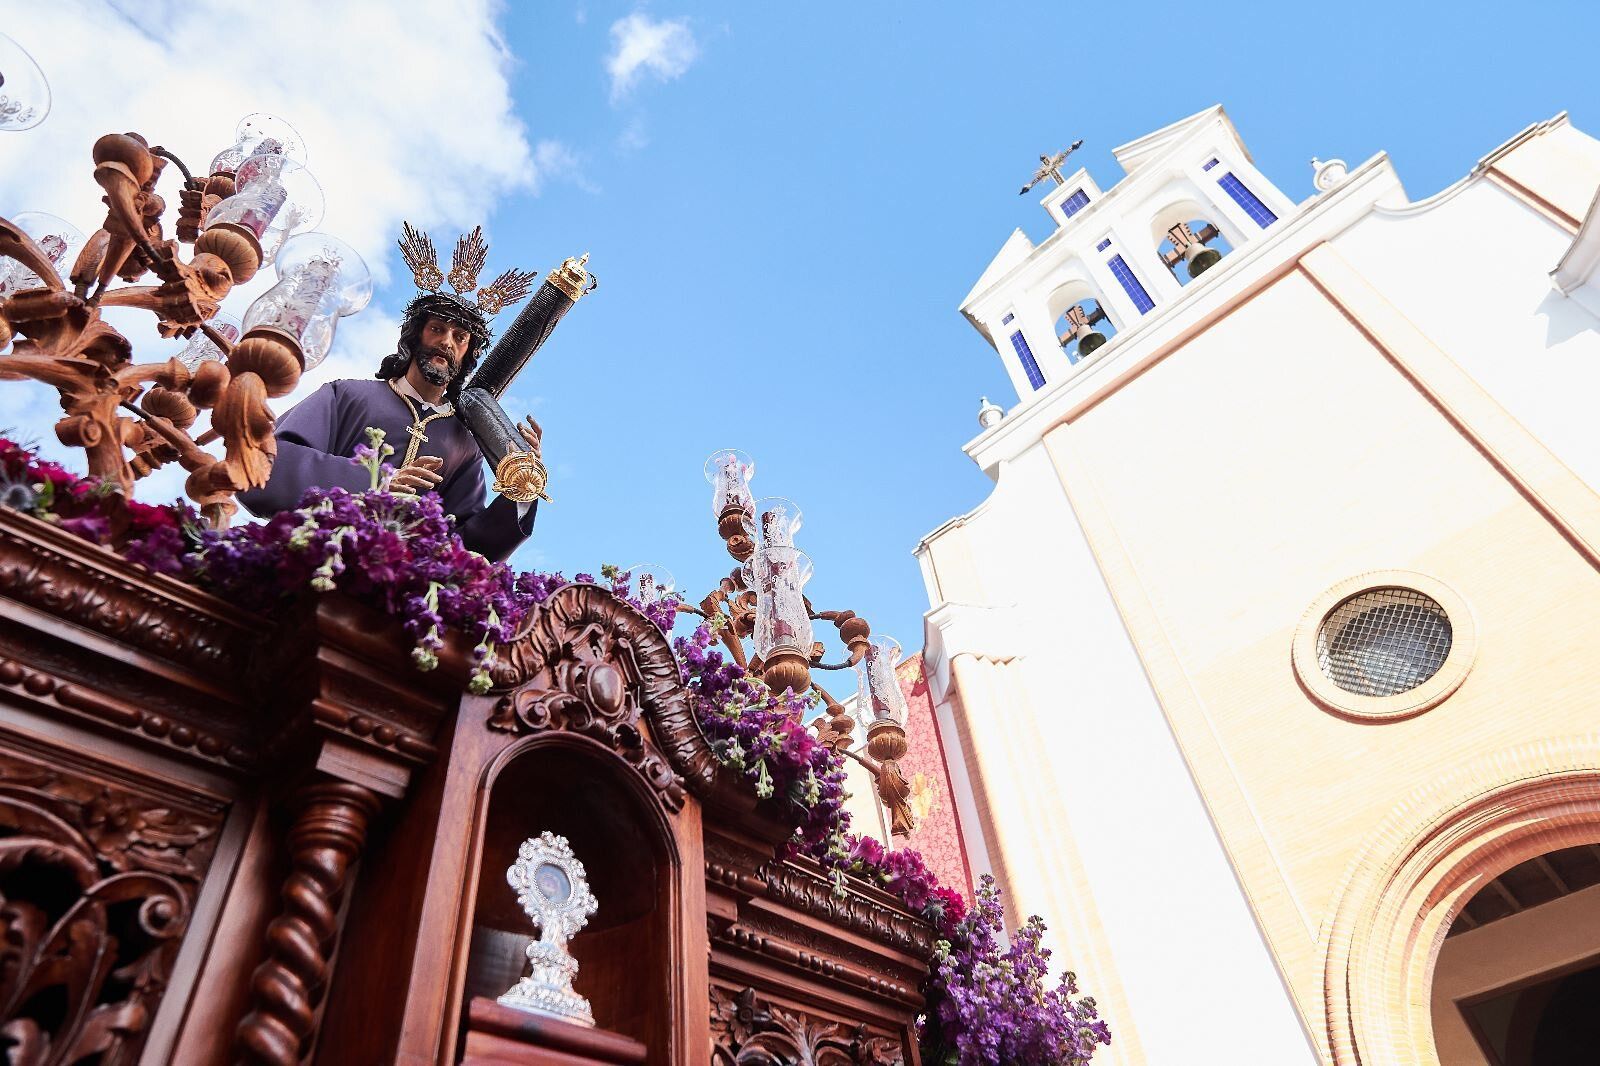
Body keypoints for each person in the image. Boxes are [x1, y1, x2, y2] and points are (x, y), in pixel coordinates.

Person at [238, 225, 542, 563]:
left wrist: (521, 491)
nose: (446, 342)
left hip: (397, 595)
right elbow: (267, 464)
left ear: (468, 354)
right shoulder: (347, 395)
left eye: (459, 337)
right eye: (437, 329)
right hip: (310, 559)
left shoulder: (463, 445)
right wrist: (375, 483)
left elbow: (468, 548)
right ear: (415, 338)